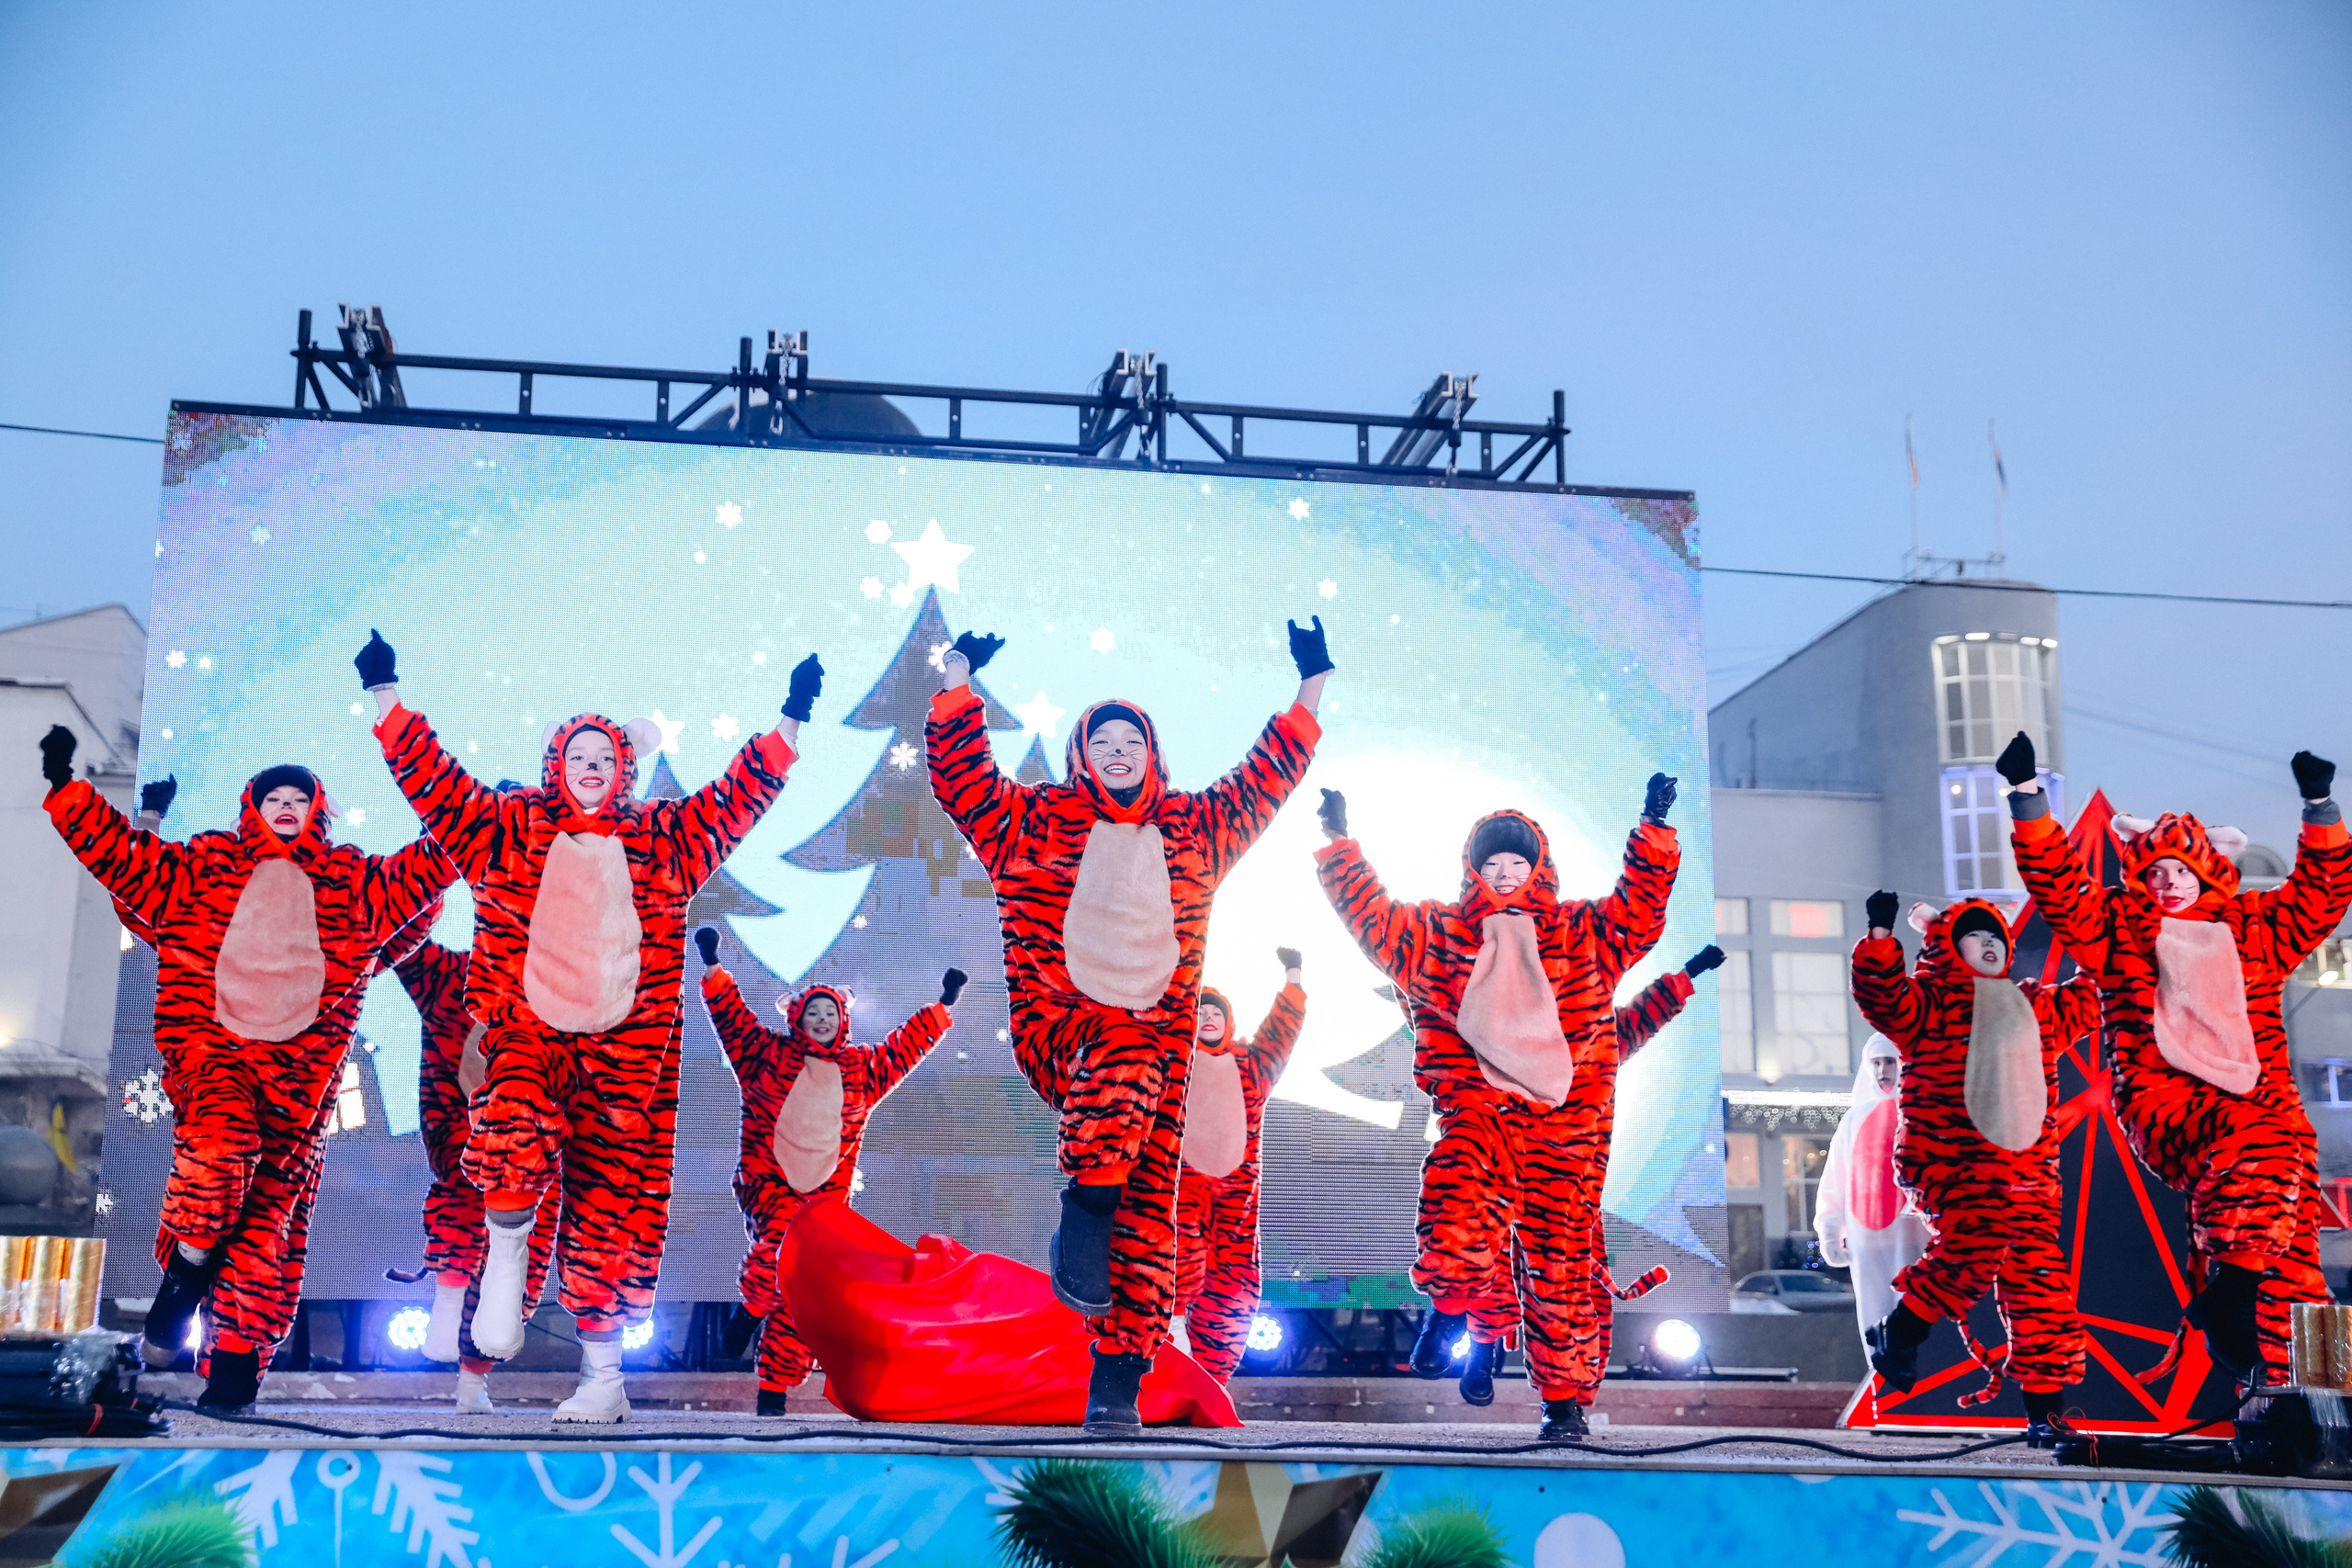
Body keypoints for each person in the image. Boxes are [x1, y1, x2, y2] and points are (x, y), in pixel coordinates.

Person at [358, 629, 820, 1424]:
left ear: (625, 772)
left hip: (625, 1055)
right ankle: (504, 1252)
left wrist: (791, 720)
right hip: (527, 1033)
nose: (593, 769)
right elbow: (434, 785)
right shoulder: (503, 826)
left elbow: (737, 797)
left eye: (607, 759)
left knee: (615, 1212)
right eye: (580, 757)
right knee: (508, 1121)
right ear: (555, 766)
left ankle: (604, 1377)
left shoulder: (665, 838)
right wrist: (386, 697)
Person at [925, 619, 1329, 1433]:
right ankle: (1083, 1205)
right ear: (1081, 757)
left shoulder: (1195, 829)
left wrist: (1311, 683)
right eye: (1100, 741)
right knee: (1125, 1050)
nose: (1117, 752)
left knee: (1149, 1225)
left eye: (1130, 741)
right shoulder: (1032, 824)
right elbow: (964, 780)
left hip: (1157, 1069)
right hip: (1065, 1034)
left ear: (1153, 755)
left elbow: (1263, 782)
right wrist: (959, 683)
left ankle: (1116, 1384)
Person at [36, 727, 451, 1409]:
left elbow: (421, 880)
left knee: (267, 1237)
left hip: (300, 1090)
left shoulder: (349, 880)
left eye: (298, 797)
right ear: (250, 806)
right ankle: (188, 1271)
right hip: (213, 1056)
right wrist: (66, 785)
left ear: (317, 809)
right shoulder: (207, 865)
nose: (285, 806)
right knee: (221, 1149)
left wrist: (477, 824)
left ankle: (230, 1379)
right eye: (273, 797)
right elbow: (129, 866)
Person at [1317, 784, 1681, 1442]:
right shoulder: (1441, 935)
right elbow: (1374, 920)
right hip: (1481, 1110)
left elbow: (1639, 911)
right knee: (1455, 1199)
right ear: (1473, 871)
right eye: (1493, 865)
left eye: (1518, 863)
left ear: (1538, 870)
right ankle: (1453, 1309)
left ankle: (1564, 1405)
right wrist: (1342, 846)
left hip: (1563, 1129)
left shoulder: (1582, 934)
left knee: (1560, 1270)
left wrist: (1653, 827)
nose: (1505, 874)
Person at [2000, 734, 2350, 1389]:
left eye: (2180, 872)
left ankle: (2298, 1390)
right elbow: (2060, 886)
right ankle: (2231, 1292)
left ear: (2210, 871)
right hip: (2170, 1105)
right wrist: (2027, 799)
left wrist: (2321, 807)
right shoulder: (2117, 930)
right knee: (2263, 1148)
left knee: (2295, 1242)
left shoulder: (2251, 929)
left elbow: (2320, 895)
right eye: (2154, 872)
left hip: (2262, 1109)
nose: (2167, 884)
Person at [1849, 894, 2102, 1438]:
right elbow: (1883, 997)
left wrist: (2101, 937)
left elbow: (2093, 993)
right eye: (1974, 937)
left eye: (1995, 937)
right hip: (1952, 1163)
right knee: (1979, 1240)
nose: (1987, 944)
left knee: (2042, 1291)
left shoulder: (2033, 1006)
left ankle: (2047, 1418)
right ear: (1946, 944)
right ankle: (1904, 1329)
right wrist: (1879, 938)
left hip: (2029, 1177)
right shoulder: (1930, 1002)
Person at [695, 925, 964, 1414]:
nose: (822, 1019)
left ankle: (773, 1393)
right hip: (769, 1182)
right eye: (812, 1012)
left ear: (842, 1019)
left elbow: (905, 1049)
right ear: (797, 1018)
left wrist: (943, 1006)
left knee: (805, 1292)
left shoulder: (862, 1069)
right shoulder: (766, 1058)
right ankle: (748, 1312)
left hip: (823, 1197)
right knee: (778, 1241)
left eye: (830, 1013)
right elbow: (732, 1021)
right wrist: (712, 966)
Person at [1456, 944, 1724, 1409]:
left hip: (1569, 1199)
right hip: (1511, 1180)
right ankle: (1481, 1350)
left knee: (1570, 1298)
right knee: (1489, 1260)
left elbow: (1641, 1017)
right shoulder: (1505, 1035)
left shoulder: (1594, 1035)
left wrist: (1686, 974)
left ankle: (1567, 1401)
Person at [390, 923, 560, 1413]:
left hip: (530, 1157)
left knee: (514, 1278)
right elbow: (399, 940)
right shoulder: (450, 976)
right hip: (462, 1136)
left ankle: (472, 1380)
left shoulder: (554, 985)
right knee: (458, 1214)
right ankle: (446, 1304)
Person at [1170, 949, 1307, 1383]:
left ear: (1228, 1021)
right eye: (1201, 1011)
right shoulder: (1175, 1064)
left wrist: (1293, 978)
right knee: (1177, 1256)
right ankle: (1168, 1334)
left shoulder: (1250, 1064)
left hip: (1236, 1193)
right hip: (1183, 1185)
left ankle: (1214, 1374)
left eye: (1216, 1012)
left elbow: (1280, 1034)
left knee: (1234, 1281)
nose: (1208, 1017)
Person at [1815, 1035, 1930, 1353]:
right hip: (1867, 1242)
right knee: (1875, 1321)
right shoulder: (1852, 1121)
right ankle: (1883, 1381)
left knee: (1921, 1316)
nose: (1882, 1071)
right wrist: (1828, 1231)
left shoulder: (1925, 1114)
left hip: (1918, 1239)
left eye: (1890, 1061)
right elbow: (1835, 1180)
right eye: (1876, 1063)